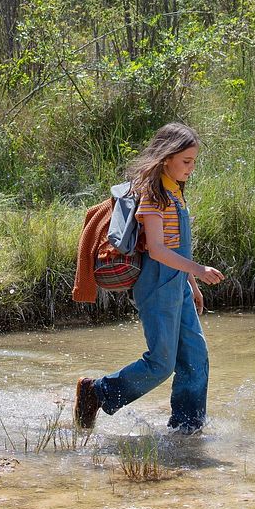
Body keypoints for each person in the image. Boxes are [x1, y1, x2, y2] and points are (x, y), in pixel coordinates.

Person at [74, 122, 225, 434]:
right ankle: (96, 392)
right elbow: (156, 250)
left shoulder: (176, 192)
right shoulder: (154, 197)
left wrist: (191, 285)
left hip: (178, 284)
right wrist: (198, 270)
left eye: (194, 161)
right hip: (156, 285)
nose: (191, 168)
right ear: (166, 158)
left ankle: (187, 429)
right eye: (186, 161)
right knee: (161, 364)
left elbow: (177, 244)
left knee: (196, 359)